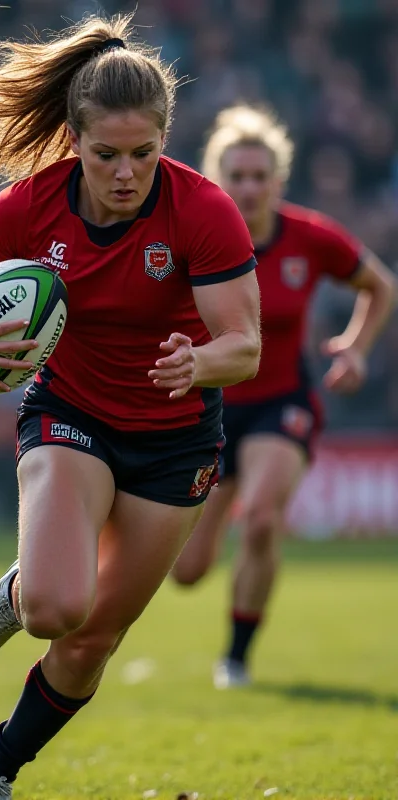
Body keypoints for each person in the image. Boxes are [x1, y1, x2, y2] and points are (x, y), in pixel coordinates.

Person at [0, 14, 261, 799]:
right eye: (106, 155)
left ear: (166, 141)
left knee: (92, 638)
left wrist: (201, 359)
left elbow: (247, 346)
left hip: (176, 445)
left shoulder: (203, 211)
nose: (126, 173)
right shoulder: (30, 207)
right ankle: (29, 588)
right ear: (74, 140)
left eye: (144, 154)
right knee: (57, 609)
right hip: (73, 416)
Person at [171, 105, 397, 690]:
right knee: (188, 571)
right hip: (210, 407)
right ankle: (211, 526)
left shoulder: (310, 236)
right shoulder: (192, 236)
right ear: (218, 179)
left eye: (259, 175)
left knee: (266, 519)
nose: (248, 187)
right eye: (236, 175)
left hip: (283, 402)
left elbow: (380, 286)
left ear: (278, 179)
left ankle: (237, 658)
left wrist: (355, 347)